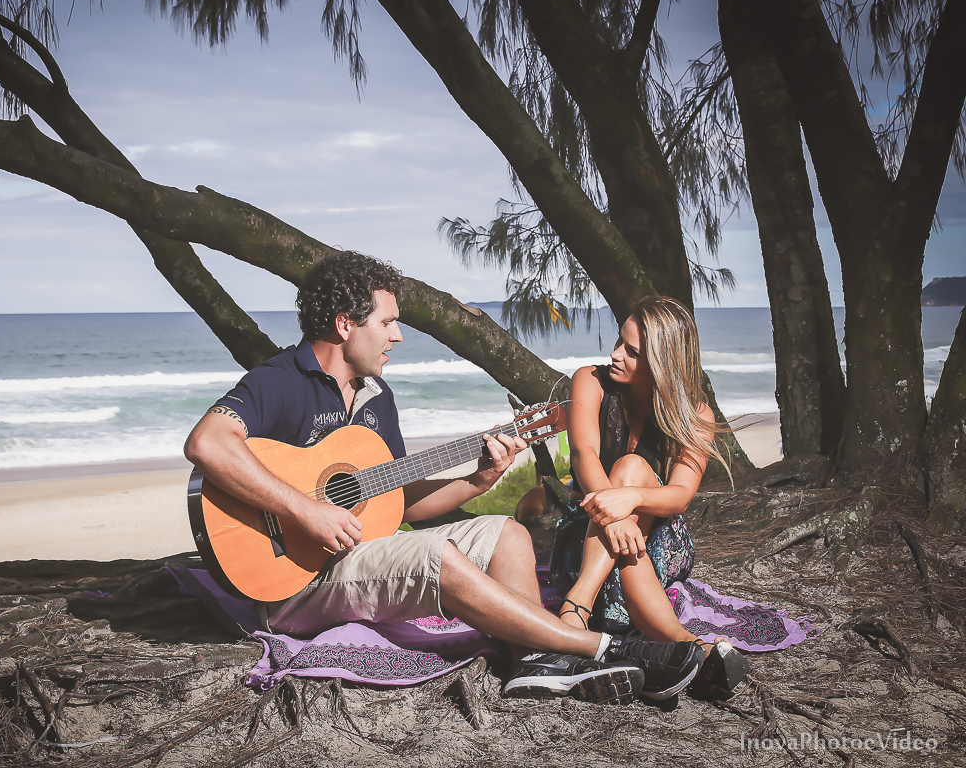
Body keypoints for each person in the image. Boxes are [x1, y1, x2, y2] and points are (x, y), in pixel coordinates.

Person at [184, 252, 705, 705]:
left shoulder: (375, 399)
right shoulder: (279, 380)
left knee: (509, 533)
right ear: (345, 325)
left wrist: (478, 480)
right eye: (387, 322)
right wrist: (303, 508)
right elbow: (207, 443)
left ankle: (535, 663)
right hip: (293, 578)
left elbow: (399, 506)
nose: (398, 334)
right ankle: (600, 648)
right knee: (437, 558)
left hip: (359, 553)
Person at [549, 296, 747, 699]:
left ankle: (575, 610)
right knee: (628, 471)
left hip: (658, 542)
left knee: (633, 469)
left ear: (663, 361)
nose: (615, 353)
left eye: (632, 351)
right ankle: (689, 647)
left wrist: (629, 501)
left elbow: (679, 498)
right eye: (619, 341)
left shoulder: (696, 414)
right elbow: (584, 455)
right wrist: (615, 514)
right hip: (586, 534)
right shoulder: (590, 380)